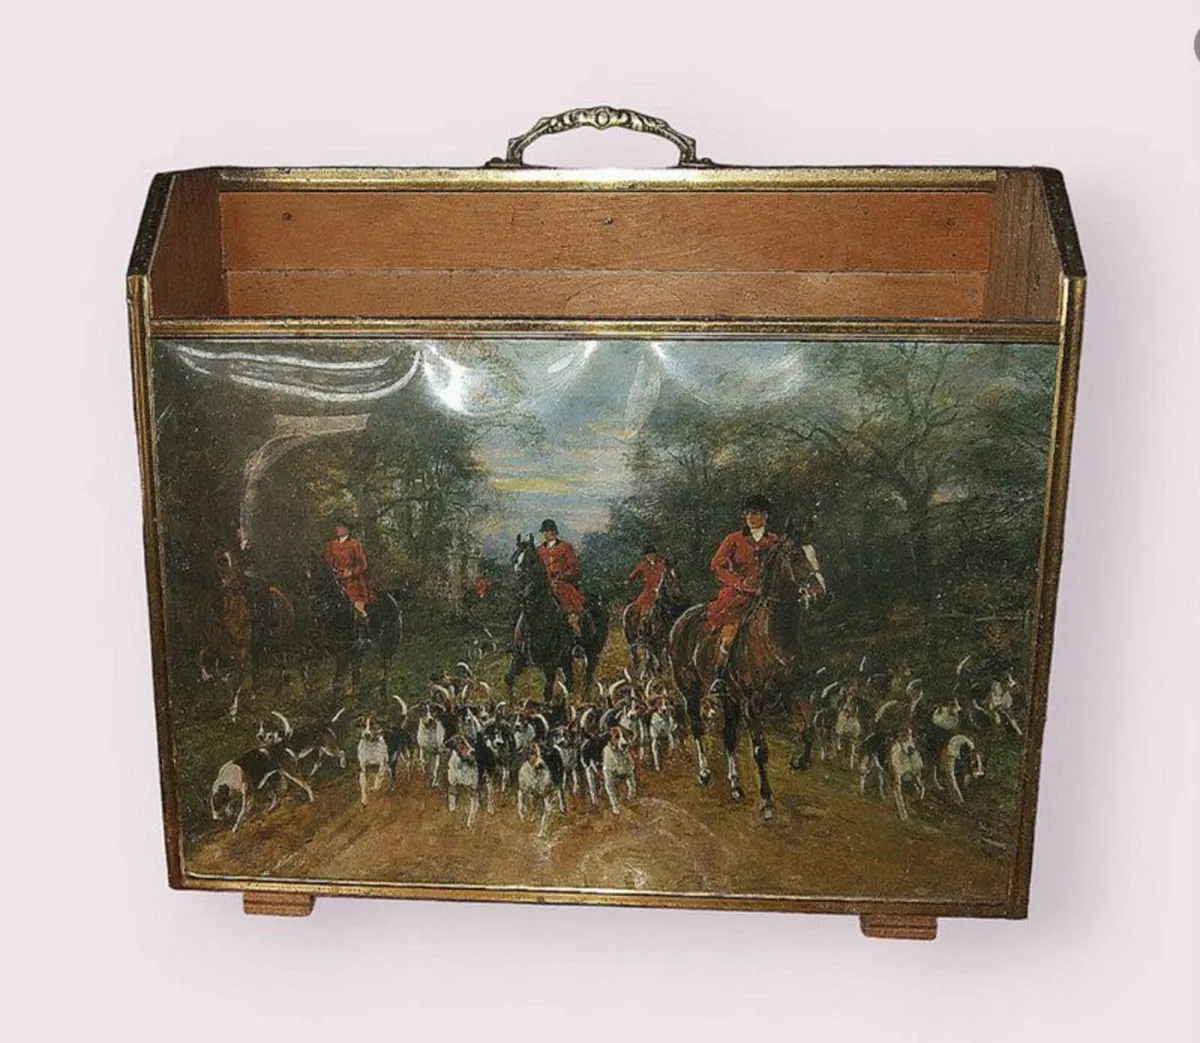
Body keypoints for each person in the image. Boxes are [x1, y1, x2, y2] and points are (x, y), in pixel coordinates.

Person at [705, 494, 781, 684]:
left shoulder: (774, 541)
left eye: (754, 513)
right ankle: (719, 679)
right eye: (747, 513)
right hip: (738, 597)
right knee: (729, 635)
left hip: (768, 596)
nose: (749, 517)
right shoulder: (734, 539)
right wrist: (739, 583)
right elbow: (716, 565)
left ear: (765, 515)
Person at [536, 519, 585, 641]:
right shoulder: (539, 550)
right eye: (545, 531)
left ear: (554, 531)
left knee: (566, 596)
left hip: (562, 583)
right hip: (544, 584)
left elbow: (573, 568)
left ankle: (575, 628)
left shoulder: (566, 547)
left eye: (549, 531)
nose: (547, 534)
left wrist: (562, 576)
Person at [324, 521, 373, 619]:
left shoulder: (355, 544)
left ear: (347, 529)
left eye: (340, 527)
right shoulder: (331, 545)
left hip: (353, 581)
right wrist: (333, 571)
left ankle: (362, 620)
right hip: (335, 579)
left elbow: (363, 565)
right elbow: (328, 561)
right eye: (337, 526)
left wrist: (351, 572)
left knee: (356, 605)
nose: (337, 529)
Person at [626, 543, 666, 634]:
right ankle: (641, 628)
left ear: (655, 554)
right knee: (640, 605)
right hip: (648, 591)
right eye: (648, 555)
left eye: (651, 554)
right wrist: (629, 579)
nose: (649, 557)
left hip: (661, 590)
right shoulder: (643, 565)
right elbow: (634, 573)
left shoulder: (662, 563)